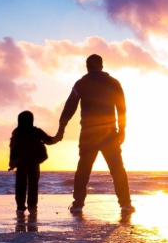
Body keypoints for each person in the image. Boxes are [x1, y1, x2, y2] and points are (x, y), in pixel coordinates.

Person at [56, 53, 132, 215]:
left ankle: (77, 204)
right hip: (109, 133)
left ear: (87, 67)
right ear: (102, 66)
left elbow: (69, 107)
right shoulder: (113, 83)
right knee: (117, 169)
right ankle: (125, 203)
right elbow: (122, 108)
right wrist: (122, 130)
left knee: (83, 168)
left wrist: (61, 128)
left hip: (89, 134)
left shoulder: (82, 83)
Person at [8, 110, 59, 214]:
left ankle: (20, 207)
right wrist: (58, 138)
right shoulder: (36, 131)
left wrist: (12, 162)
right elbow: (48, 140)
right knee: (33, 185)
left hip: (21, 162)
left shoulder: (17, 132)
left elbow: (12, 148)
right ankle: (32, 206)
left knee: (21, 185)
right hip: (34, 162)